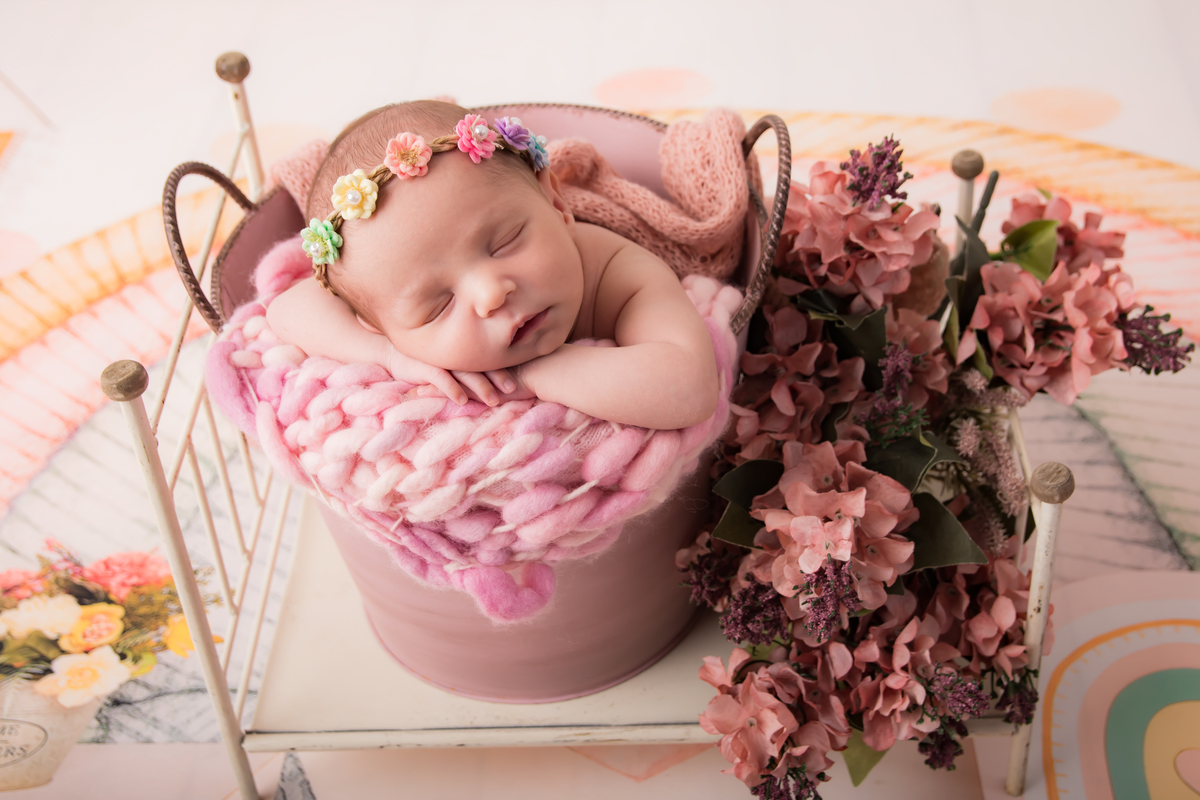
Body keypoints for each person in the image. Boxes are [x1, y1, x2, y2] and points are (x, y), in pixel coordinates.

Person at [267, 101, 719, 431]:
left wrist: (532, 373)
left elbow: (689, 387)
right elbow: (285, 310)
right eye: (438, 306)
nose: (491, 294)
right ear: (381, 326)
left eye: (504, 243)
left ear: (555, 202)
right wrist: (390, 355)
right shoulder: (390, 329)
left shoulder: (621, 273)